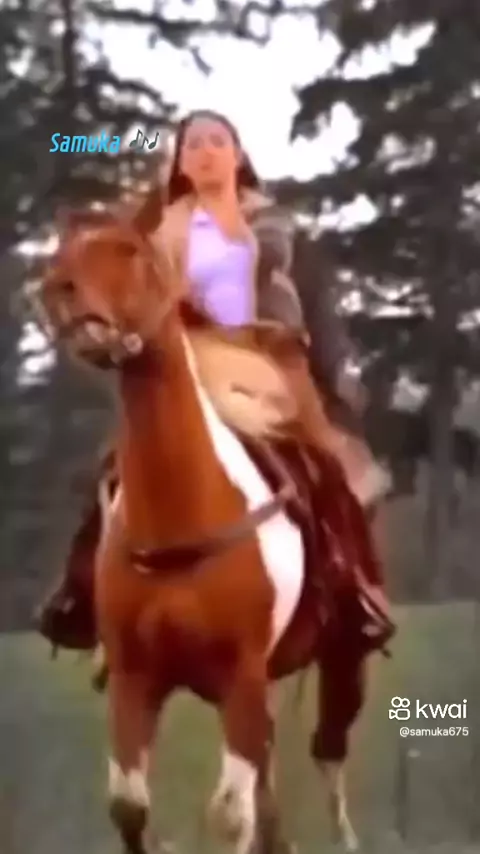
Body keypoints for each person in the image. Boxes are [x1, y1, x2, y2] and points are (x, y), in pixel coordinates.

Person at [37, 109, 393, 653]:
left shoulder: (269, 220)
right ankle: (80, 594)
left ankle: (357, 590)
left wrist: (337, 365)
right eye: (193, 145)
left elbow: (289, 278)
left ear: (237, 156)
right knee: (116, 464)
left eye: (216, 142)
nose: (205, 152)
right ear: (178, 161)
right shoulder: (157, 228)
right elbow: (127, 284)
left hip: (269, 354)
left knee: (328, 462)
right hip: (190, 358)